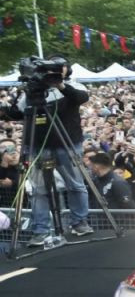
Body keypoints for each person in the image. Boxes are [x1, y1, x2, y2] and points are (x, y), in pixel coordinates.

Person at [7, 57, 94, 244]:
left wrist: (60, 85)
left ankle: (79, 222)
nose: (52, 72)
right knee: (38, 190)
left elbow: (81, 98)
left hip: (67, 143)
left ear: (66, 70)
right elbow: (16, 113)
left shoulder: (73, 86)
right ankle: (41, 230)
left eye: (58, 67)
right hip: (38, 145)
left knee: (76, 185)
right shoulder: (34, 91)